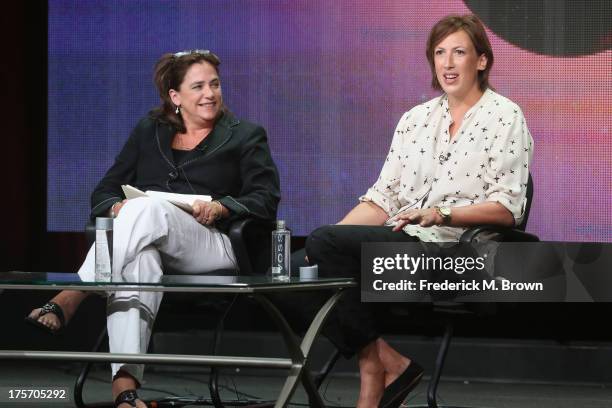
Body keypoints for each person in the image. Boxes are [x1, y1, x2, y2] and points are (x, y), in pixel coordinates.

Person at [27, 50, 280, 408]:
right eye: (198, 87)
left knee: (146, 208)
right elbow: (105, 189)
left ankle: (73, 293)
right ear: (175, 97)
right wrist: (116, 206)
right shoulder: (150, 130)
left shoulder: (246, 135)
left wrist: (223, 206)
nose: (210, 93)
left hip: (213, 246)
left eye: (215, 84)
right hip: (149, 244)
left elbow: (265, 197)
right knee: (139, 261)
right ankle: (126, 392)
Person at [305, 14, 533, 408]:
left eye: (458, 52)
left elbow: (508, 209)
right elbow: (382, 199)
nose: (447, 63)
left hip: (454, 253)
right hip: (400, 240)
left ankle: (377, 374)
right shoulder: (414, 120)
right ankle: (384, 363)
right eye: (439, 53)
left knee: (325, 249)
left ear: (481, 61)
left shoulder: (506, 117)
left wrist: (443, 214)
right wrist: (328, 240)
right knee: (299, 267)